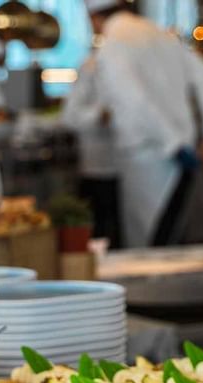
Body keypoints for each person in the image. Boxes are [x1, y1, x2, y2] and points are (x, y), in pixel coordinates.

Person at [83, 0, 203, 248]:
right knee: (172, 235)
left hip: (148, 157)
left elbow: (135, 101)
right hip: (179, 153)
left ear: (93, 18)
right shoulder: (159, 34)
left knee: (149, 243)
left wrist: (173, 144)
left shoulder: (112, 46)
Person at [61, 55, 122, 248]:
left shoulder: (135, 68)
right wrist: (99, 115)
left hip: (131, 169)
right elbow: (69, 116)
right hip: (97, 169)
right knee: (97, 236)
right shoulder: (91, 68)